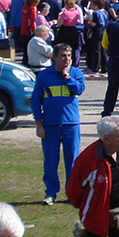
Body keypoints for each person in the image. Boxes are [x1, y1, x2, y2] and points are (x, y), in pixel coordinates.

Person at [31, 43, 85, 205]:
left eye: (69, 56)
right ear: (54, 57)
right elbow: (36, 101)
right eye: (62, 56)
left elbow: (79, 89)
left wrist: (67, 76)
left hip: (71, 124)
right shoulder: (44, 76)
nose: (66, 59)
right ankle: (50, 192)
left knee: (72, 160)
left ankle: (71, 192)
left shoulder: (76, 73)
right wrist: (39, 124)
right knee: (50, 160)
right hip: (50, 124)